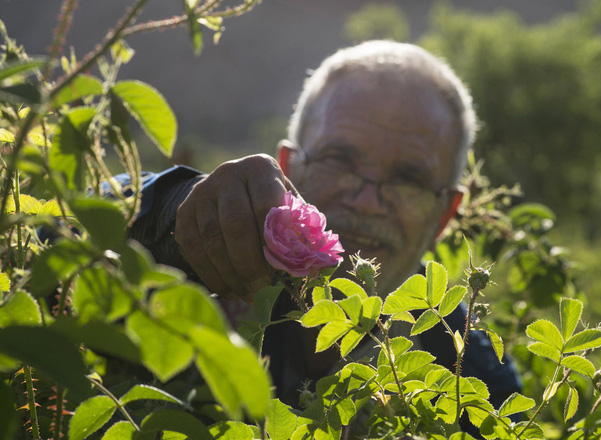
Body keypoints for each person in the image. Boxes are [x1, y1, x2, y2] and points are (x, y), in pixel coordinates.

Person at [126, 40, 521, 433]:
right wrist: (178, 207)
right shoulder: (207, 262)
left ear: (444, 215)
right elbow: (78, 221)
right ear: (287, 168)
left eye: (408, 179)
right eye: (339, 160)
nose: (367, 202)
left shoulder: (478, 387)